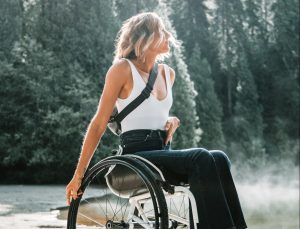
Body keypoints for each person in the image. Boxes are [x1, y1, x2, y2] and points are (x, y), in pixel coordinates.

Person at [66, 12, 248, 229]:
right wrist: (78, 175)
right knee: (201, 157)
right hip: (134, 159)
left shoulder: (167, 73)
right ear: (145, 38)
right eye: (162, 31)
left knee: (218, 158)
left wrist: (170, 119)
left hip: (161, 152)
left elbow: (150, 111)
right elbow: (98, 124)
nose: (169, 35)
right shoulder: (122, 69)